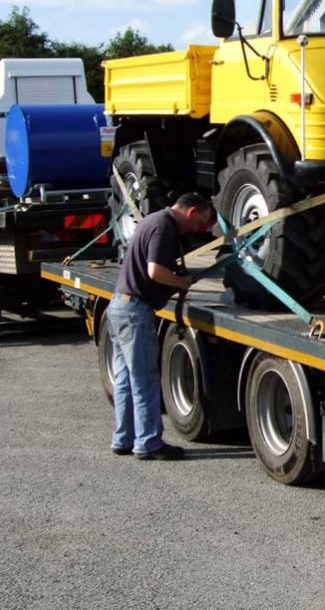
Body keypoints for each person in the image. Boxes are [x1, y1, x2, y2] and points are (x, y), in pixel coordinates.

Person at [109, 192, 214, 460]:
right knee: (145, 379)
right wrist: (182, 282)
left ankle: (123, 438)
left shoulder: (152, 220)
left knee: (125, 380)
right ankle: (148, 443)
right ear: (191, 212)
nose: (198, 230)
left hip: (119, 306)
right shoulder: (164, 227)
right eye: (200, 223)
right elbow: (155, 271)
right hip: (135, 311)